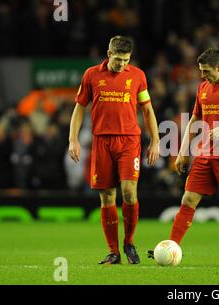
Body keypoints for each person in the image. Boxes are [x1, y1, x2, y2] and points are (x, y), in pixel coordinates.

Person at [149, 48, 219, 266]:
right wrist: (183, 152)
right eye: (201, 71)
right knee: (188, 199)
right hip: (205, 153)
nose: (203, 75)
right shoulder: (203, 88)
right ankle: (172, 246)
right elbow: (194, 120)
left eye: (207, 71)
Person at [68, 36, 160, 264]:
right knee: (107, 197)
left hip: (129, 140)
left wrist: (156, 141)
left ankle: (129, 243)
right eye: (118, 59)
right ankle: (114, 252)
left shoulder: (138, 75)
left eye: (125, 60)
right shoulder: (91, 75)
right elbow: (79, 108)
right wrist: (73, 139)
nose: (121, 64)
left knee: (129, 192)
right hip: (101, 142)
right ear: (109, 55)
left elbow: (147, 110)